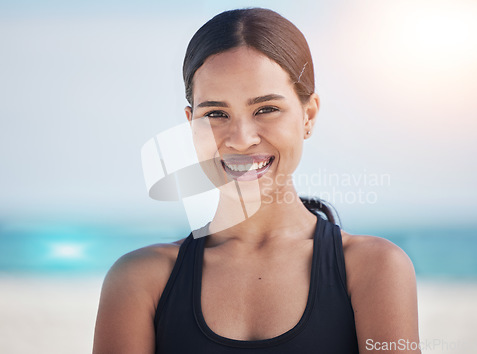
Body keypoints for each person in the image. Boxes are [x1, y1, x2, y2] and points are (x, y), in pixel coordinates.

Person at [93, 8, 420, 354]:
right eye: (216, 114)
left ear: (308, 116)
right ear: (191, 125)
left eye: (266, 109)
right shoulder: (138, 281)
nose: (241, 138)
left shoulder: (375, 269)